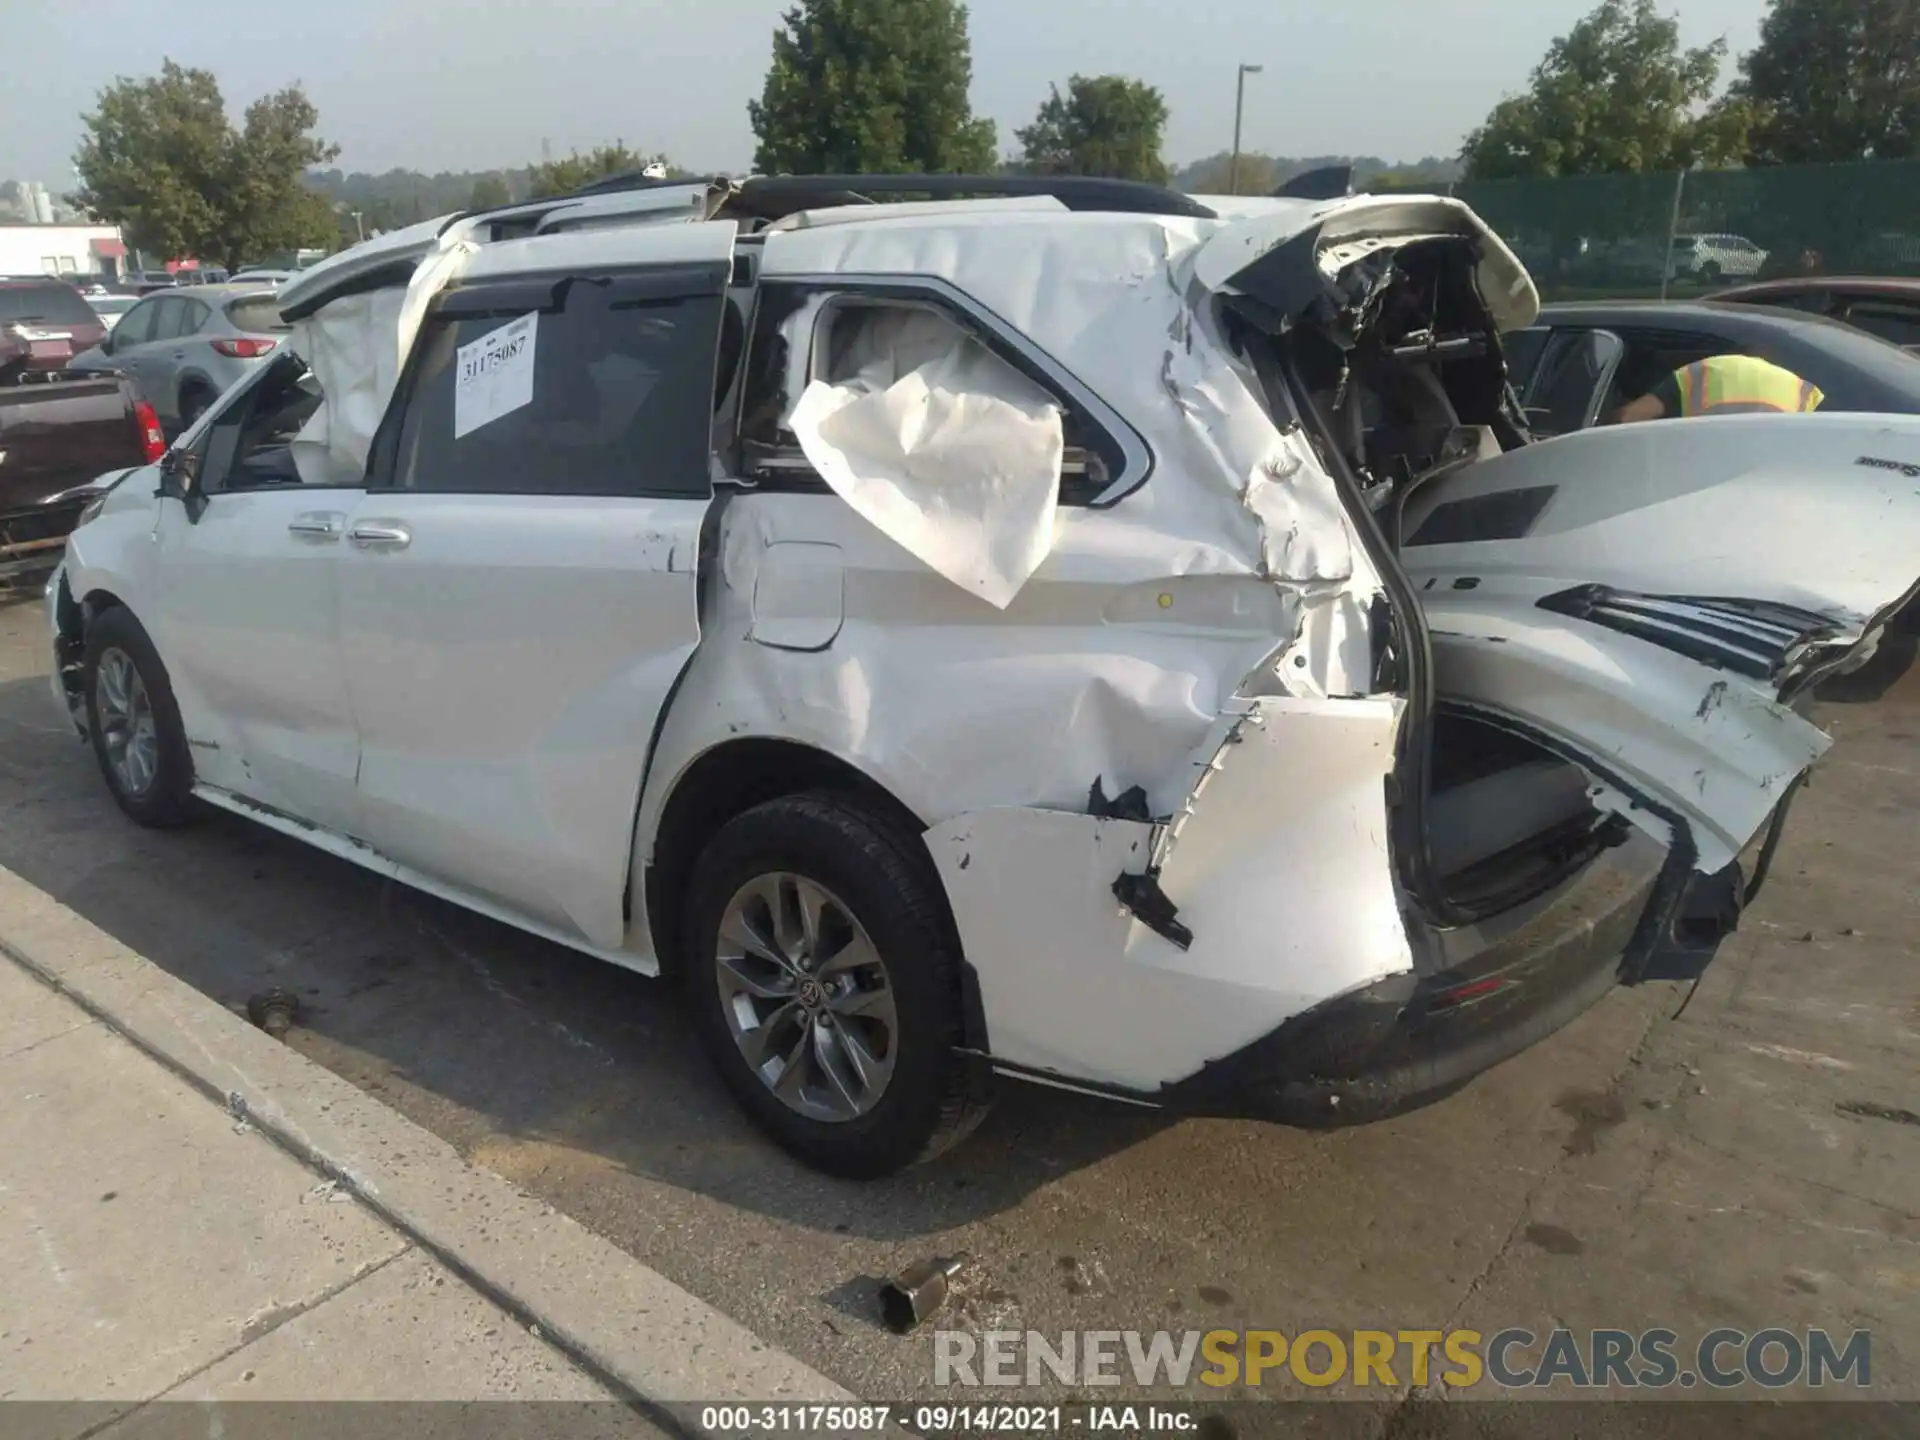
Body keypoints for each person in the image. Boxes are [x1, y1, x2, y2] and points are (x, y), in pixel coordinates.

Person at [1608, 352, 1823, 425]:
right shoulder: (1797, 386)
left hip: (1709, 471)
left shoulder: (1700, 372)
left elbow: (1629, 417)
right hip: (1773, 478)